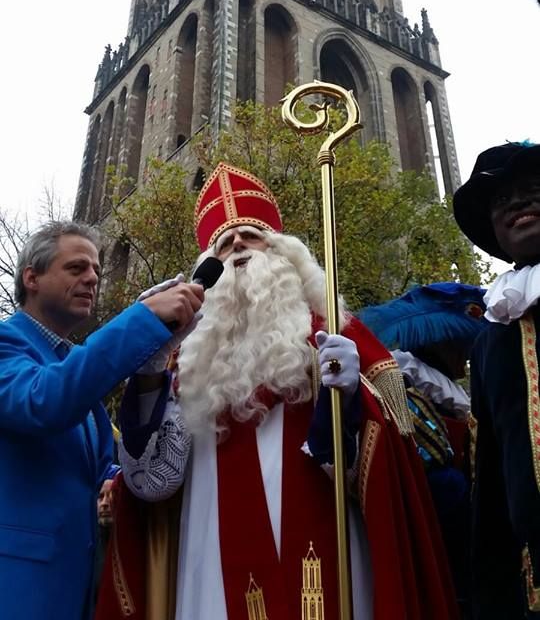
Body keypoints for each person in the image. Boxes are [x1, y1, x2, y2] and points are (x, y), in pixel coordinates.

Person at [97, 162, 459, 620]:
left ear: (284, 252)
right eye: (225, 245)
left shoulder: (333, 333)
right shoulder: (186, 357)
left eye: (250, 236)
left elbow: (389, 460)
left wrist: (351, 398)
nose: (238, 248)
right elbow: (153, 482)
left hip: (322, 531)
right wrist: (148, 373)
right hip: (210, 550)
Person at [0, 220, 204, 620]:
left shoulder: (67, 362)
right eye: (76, 268)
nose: (92, 278)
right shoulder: (8, 345)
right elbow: (44, 402)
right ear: (32, 278)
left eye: (95, 269)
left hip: (74, 590)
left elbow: (95, 468)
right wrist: (141, 320)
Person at [359, 281, 487, 617]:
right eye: (461, 345)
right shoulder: (408, 389)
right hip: (439, 531)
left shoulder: (452, 395)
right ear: (442, 343)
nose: (467, 354)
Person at [453, 141, 540, 618]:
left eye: (532, 192)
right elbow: (489, 469)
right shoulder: (495, 334)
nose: (518, 206)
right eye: (503, 202)